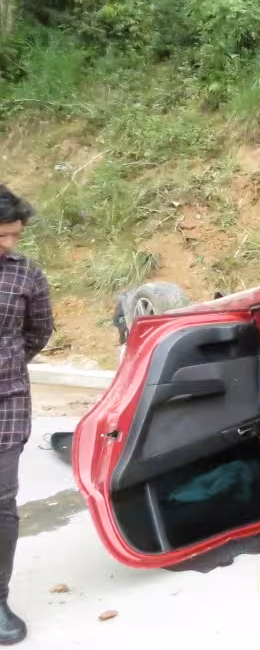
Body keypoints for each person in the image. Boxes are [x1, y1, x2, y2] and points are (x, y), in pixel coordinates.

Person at [0, 185, 54, 644]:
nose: (9, 243)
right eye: (2, 235)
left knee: (2, 502)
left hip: (7, 403)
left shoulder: (26, 274)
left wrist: (9, 364)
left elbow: (38, 331)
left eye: (15, 235)